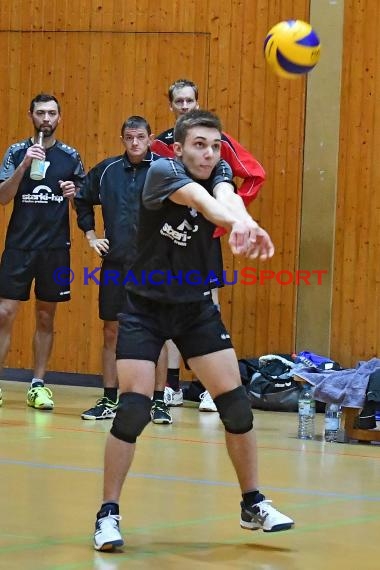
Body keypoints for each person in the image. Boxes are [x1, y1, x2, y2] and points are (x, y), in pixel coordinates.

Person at [93, 109, 294, 552]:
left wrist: (247, 221)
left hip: (195, 308)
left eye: (215, 145)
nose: (208, 153)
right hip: (145, 308)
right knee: (132, 411)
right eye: (198, 145)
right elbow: (205, 205)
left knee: (237, 408)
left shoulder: (219, 170)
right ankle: (108, 513)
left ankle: (252, 502)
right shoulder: (163, 173)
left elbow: (227, 197)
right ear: (180, 148)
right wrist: (235, 221)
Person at [151, 79, 266, 413]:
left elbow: (254, 174)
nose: (185, 106)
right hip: (168, 240)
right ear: (170, 106)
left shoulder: (219, 144)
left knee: (208, 306)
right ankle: (171, 384)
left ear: (197, 102)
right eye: (179, 102)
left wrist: (227, 218)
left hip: (204, 237)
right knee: (168, 305)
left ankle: (207, 387)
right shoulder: (160, 145)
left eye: (190, 101)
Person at [75, 116, 171, 424]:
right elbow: (81, 198)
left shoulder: (164, 171)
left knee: (158, 332)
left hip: (153, 267)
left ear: (150, 138)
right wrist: (91, 236)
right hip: (116, 265)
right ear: (122, 139)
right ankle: (109, 398)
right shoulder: (106, 171)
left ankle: (158, 402)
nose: (134, 143)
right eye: (129, 137)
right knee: (111, 331)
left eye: (140, 137)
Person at [0, 93, 85, 410]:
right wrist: (23, 166)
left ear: (59, 118)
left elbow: (84, 202)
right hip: (19, 247)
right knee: (3, 314)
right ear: (31, 116)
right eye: (40, 113)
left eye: (51, 113)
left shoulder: (71, 156)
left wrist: (73, 193)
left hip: (55, 249)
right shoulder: (16, 152)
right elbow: (3, 197)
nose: (46, 118)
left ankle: (37, 384)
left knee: (46, 317)